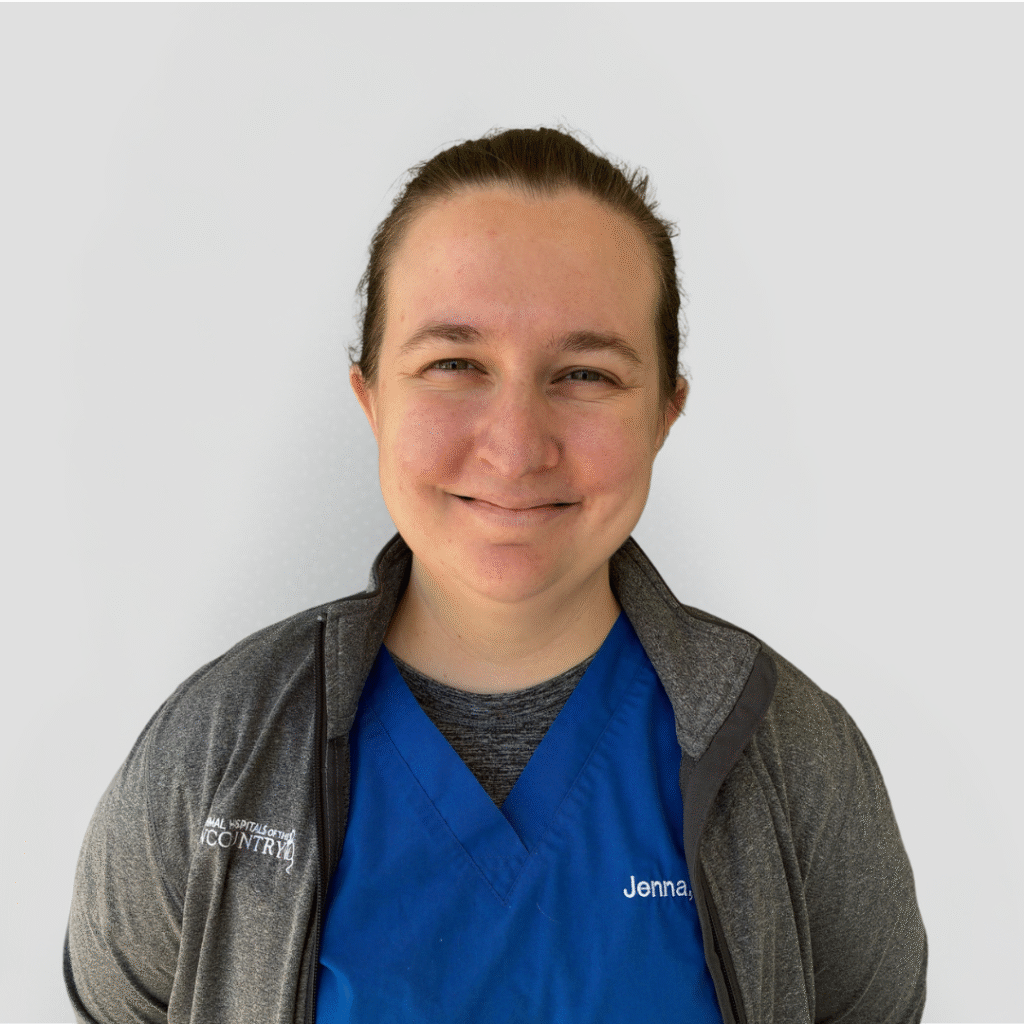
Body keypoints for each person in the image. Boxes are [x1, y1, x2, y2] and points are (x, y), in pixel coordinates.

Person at [63, 125, 927, 1024]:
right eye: (455, 364)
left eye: (586, 373)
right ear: (370, 398)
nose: (516, 448)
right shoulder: (216, 752)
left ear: (667, 410)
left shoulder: (794, 759)